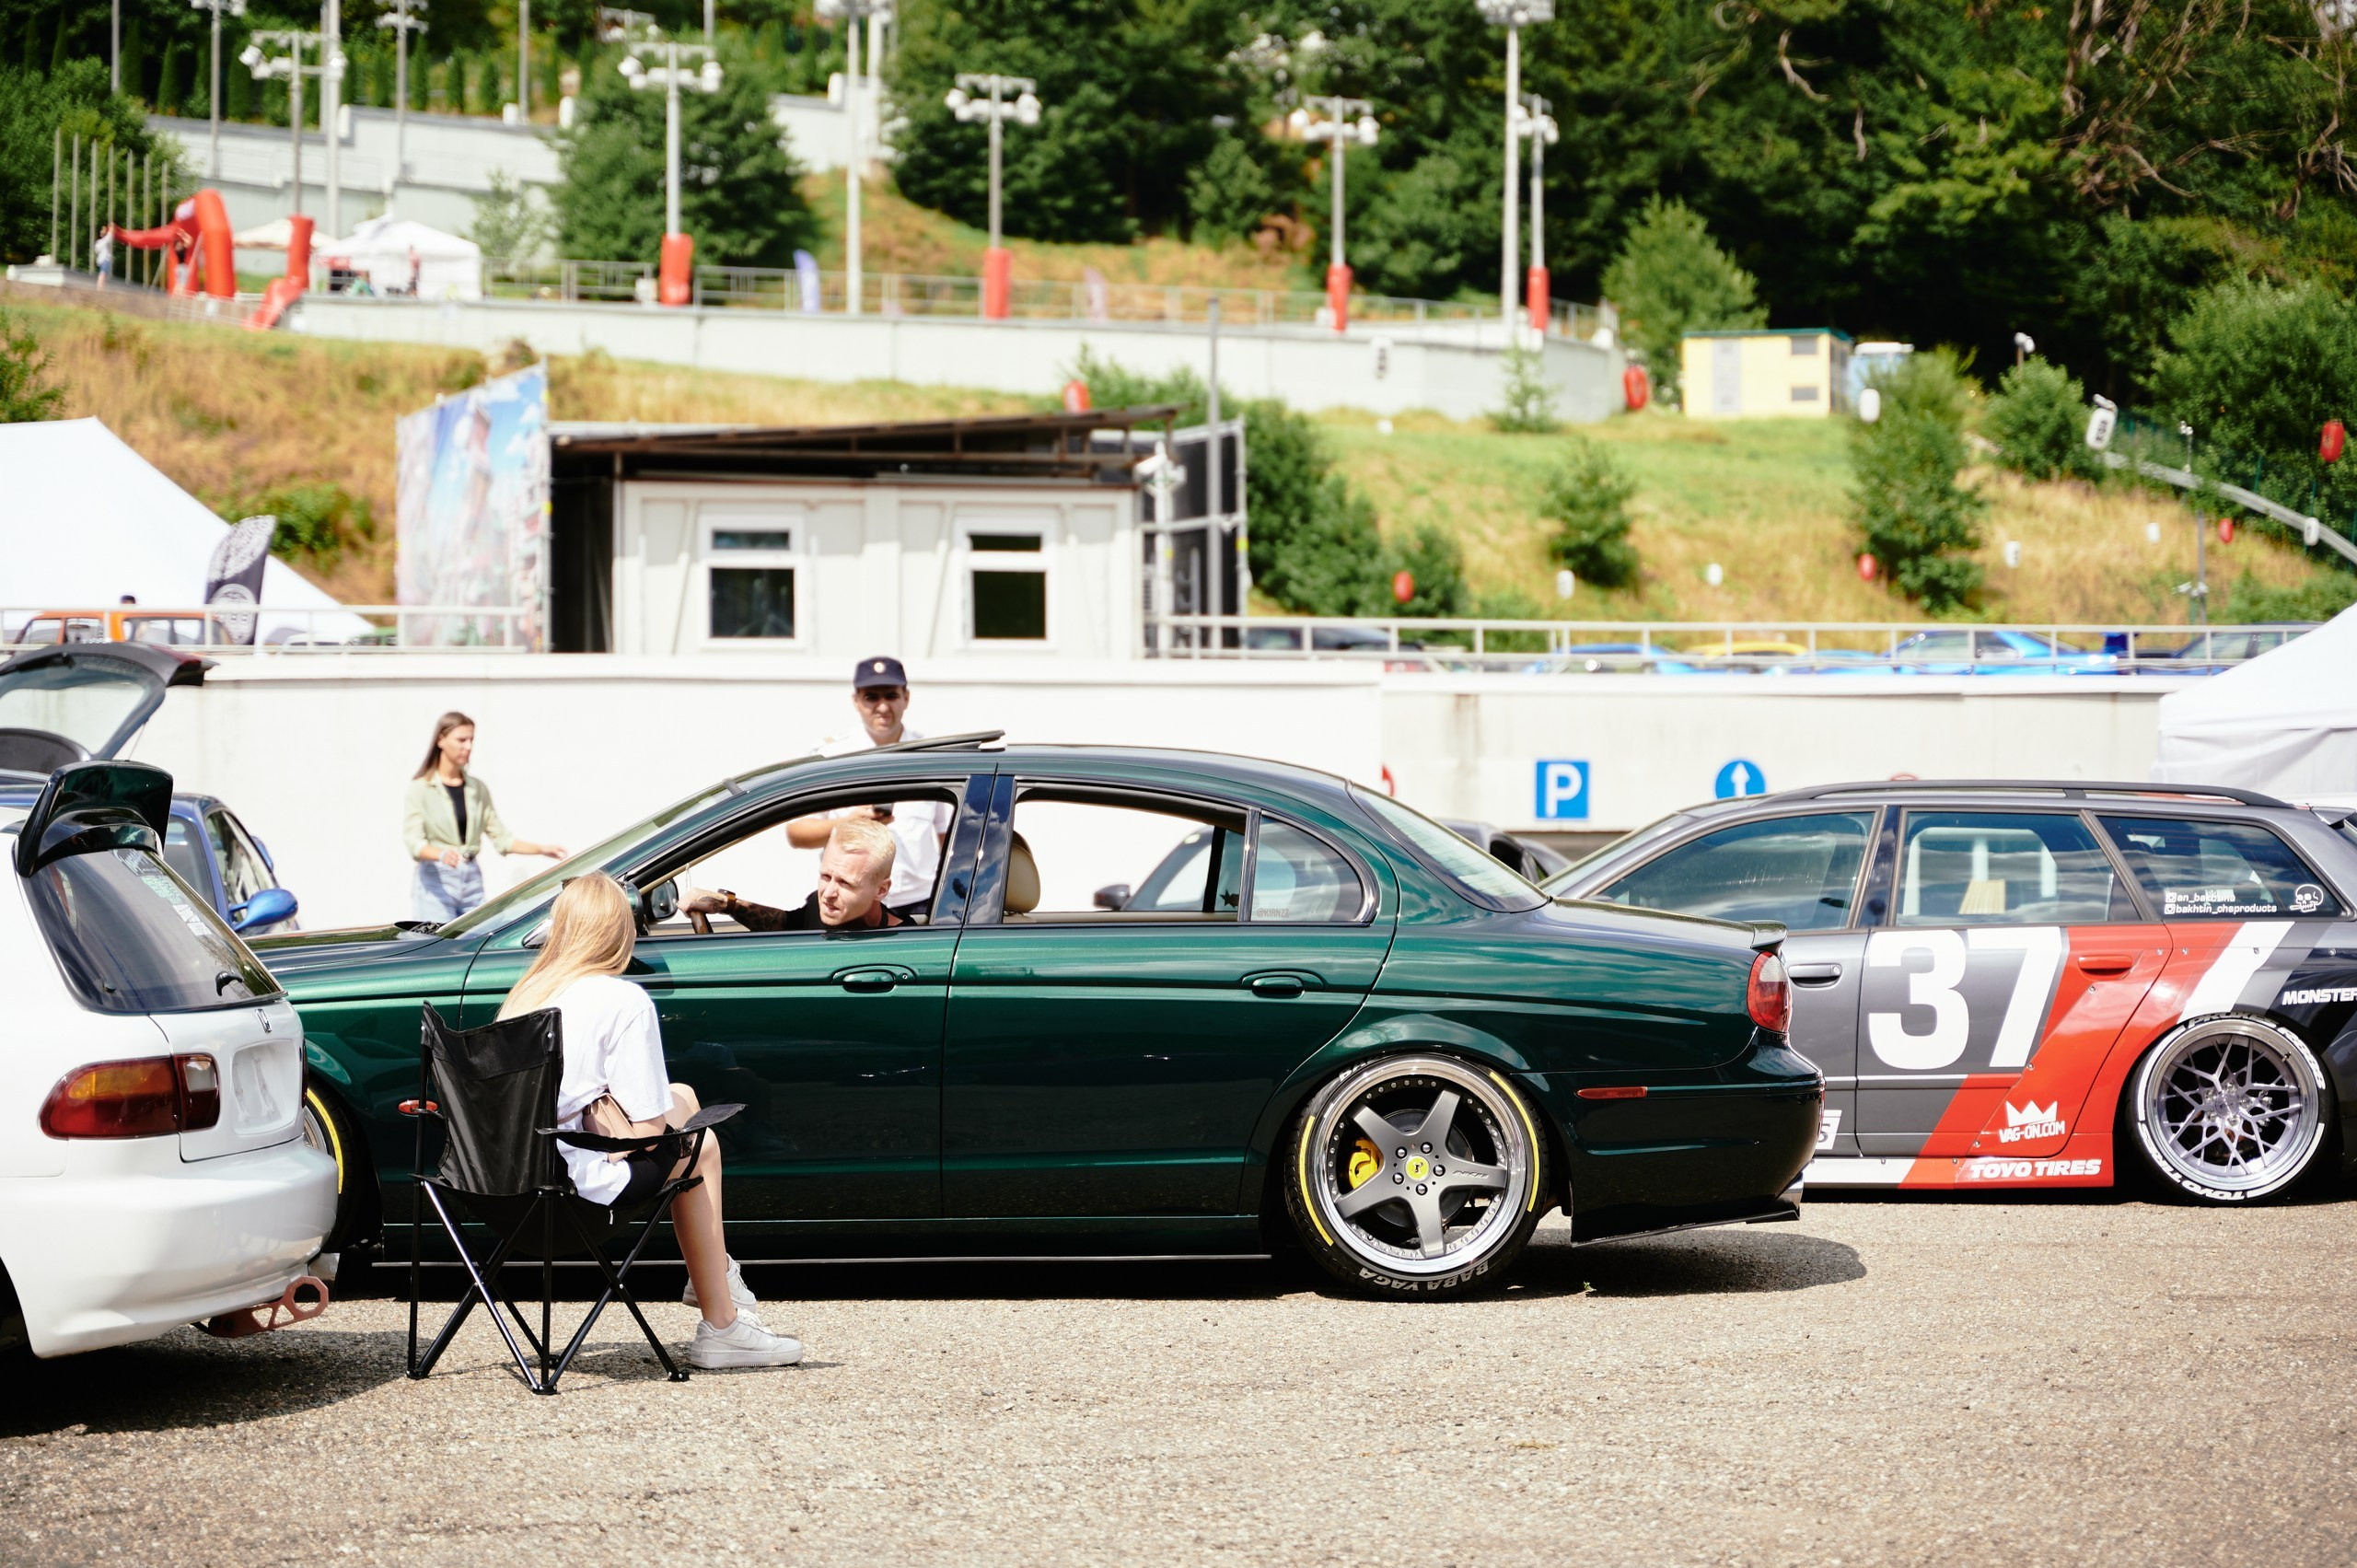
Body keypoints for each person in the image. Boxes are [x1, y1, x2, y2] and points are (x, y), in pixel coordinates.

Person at [496, 873, 802, 1369]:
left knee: (682, 1095)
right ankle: (721, 1316)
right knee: (701, 1146)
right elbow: (647, 1132)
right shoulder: (621, 1000)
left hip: (509, 1187)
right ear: (622, 932)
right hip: (578, 1190)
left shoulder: (526, 997)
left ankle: (717, 1280)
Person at [786, 656, 953, 919]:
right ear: (856, 701)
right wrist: (847, 824)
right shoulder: (834, 757)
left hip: (921, 904)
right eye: (871, 697)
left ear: (906, 698)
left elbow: (946, 837)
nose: (883, 707)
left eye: (891, 695)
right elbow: (796, 833)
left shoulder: (930, 755)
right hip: (853, 903)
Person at [402, 711, 567, 922]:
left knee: (476, 942)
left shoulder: (477, 789)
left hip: (471, 878)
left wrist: (542, 849)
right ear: (441, 740)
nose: (468, 746)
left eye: (472, 740)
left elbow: (502, 839)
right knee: (438, 946)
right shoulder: (421, 789)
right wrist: (441, 854)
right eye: (461, 740)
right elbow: (414, 843)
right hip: (436, 881)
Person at [688, 818, 901, 933]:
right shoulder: (821, 908)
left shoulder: (901, 942)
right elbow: (785, 924)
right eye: (826, 876)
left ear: (881, 890)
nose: (828, 894)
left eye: (845, 883)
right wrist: (726, 903)